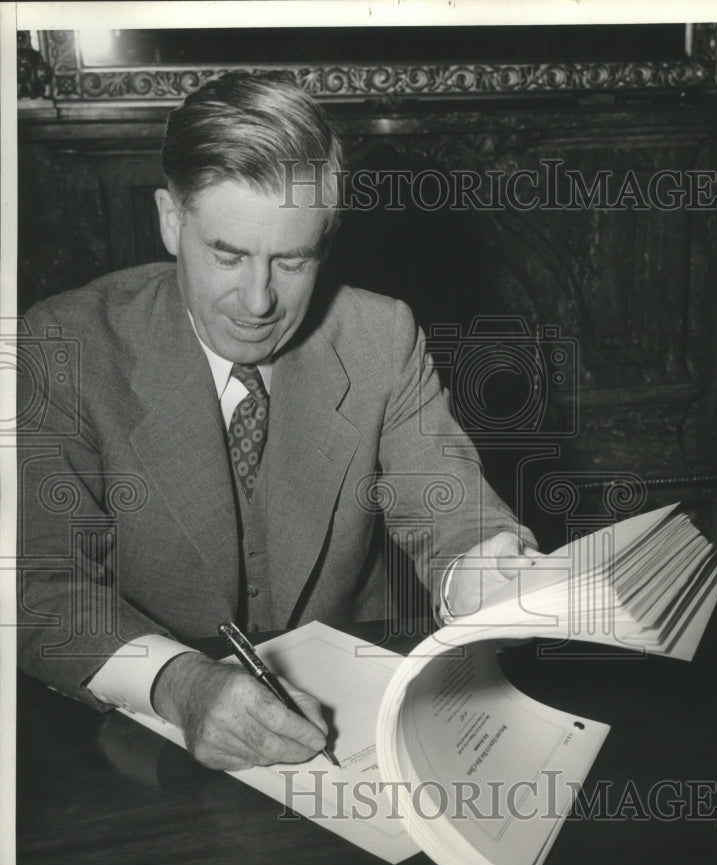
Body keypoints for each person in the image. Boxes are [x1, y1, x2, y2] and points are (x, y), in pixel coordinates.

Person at [17, 71, 539, 772]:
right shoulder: (65, 346)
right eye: (227, 255)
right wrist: (179, 682)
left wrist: (484, 575)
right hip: (140, 749)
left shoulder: (381, 336)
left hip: (348, 740)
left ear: (327, 239)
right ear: (171, 220)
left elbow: (449, 506)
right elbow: (36, 585)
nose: (259, 301)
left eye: (292, 261)